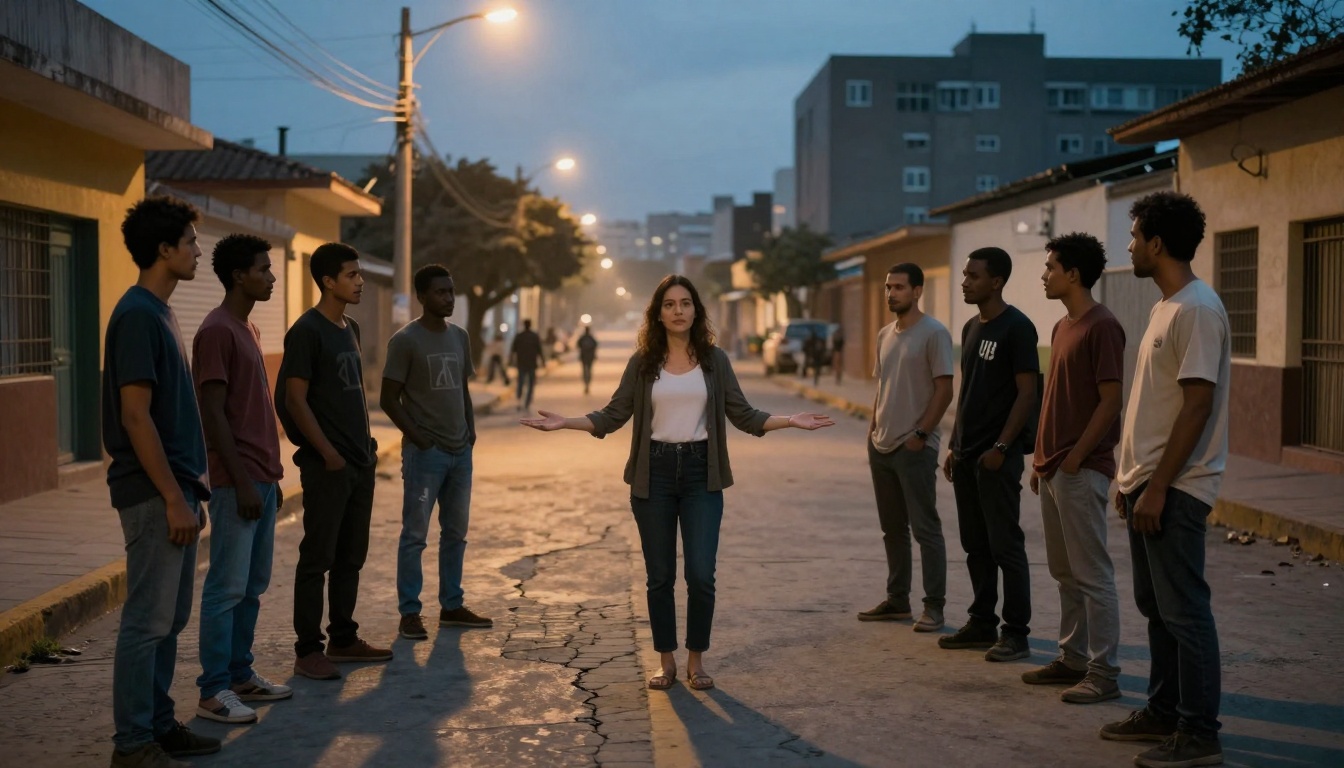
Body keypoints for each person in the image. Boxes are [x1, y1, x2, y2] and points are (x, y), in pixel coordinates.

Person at [521, 275, 834, 692]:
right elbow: (613, 415)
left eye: (685, 303)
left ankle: (696, 661)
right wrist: (567, 423)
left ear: (696, 310)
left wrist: (790, 420)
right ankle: (666, 661)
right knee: (660, 575)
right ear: (658, 313)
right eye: (669, 304)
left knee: (702, 574)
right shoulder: (644, 363)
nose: (678, 311)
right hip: (656, 474)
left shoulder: (714, 361)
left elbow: (744, 415)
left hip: (702, 473)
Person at [1103, 192, 1229, 768]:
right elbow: (1153, 405)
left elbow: (1197, 407)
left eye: (1133, 236)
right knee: (1156, 607)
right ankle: (1162, 709)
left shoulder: (1197, 309)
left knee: (1184, 611)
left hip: (1175, 488)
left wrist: (1156, 487)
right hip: (1145, 484)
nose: (1128, 246)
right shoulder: (1167, 306)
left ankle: (1199, 733)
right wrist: (1128, 480)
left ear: (1156, 243)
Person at [105, 196, 220, 767]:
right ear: (163, 249)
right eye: (191, 242)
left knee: (169, 621)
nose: (199, 251)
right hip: (154, 495)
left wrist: (190, 492)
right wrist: (173, 497)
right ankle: (131, 746)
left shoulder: (161, 312)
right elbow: (134, 416)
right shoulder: (137, 316)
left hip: (179, 492)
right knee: (146, 622)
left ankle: (158, 724)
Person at [276, 242, 391, 681]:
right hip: (328, 466)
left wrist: (365, 450)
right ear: (328, 281)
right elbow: (292, 399)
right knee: (316, 558)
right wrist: (326, 452)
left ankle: (343, 639)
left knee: (351, 556)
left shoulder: (351, 328)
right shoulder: (306, 331)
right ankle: (308, 650)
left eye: (360, 274)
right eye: (352, 275)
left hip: (360, 462)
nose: (360, 281)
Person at [192, 234, 292, 726]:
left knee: (252, 585)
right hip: (238, 483)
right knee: (226, 587)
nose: (271, 277)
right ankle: (213, 691)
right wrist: (242, 480)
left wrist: (270, 477)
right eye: (264, 269)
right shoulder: (216, 331)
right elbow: (212, 413)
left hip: (263, 479)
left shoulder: (247, 327)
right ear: (238, 275)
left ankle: (239, 675)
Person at [1025, 233, 1125, 705]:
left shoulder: (1102, 326)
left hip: (1081, 469)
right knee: (1064, 572)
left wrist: (1077, 457)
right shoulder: (1063, 326)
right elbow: (1054, 399)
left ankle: (1103, 674)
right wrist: (1041, 460)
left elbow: (1111, 401)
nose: (1044, 275)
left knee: (1092, 574)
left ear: (1074, 274)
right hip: (1054, 467)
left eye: (1050, 267)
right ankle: (1072, 659)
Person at [381, 264, 493, 641]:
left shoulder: (460, 336)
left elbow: (462, 389)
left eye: (451, 291)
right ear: (422, 297)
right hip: (425, 456)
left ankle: (451, 605)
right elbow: (388, 399)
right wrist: (419, 438)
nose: (448, 298)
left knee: (456, 533)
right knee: (415, 534)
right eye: (441, 292)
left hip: (461, 453)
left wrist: (471, 431)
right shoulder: (405, 340)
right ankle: (410, 612)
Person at [941, 247, 1039, 663]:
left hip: (997, 458)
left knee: (1005, 546)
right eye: (965, 275)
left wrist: (1002, 446)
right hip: (966, 456)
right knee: (975, 545)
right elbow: (969, 393)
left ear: (996, 281)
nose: (965, 282)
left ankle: (1015, 633)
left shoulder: (1017, 328)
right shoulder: (969, 327)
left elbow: (1027, 392)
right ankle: (982, 622)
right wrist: (954, 445)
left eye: (973, 276)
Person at [859, 264, 953, 633]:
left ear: (917, 291)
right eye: (888, 286)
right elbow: (882, 387)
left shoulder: (934, 334)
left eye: (899, 287)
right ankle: (898, 601)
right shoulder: (885, 334)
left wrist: (921, 434)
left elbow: (944, 390)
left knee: (925, 529)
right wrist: (872, 429)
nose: (891, 293)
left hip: (914, 446)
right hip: (881, 445)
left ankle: (935, 607)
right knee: (892, 529)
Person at [510, 319, 545, 412]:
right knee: (530, 384)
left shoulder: (519, 336)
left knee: (521, 383)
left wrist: (510, 361)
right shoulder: (534, 336)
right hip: (531, 364)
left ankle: (519, 400)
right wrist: (543, 361)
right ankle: (527, 402)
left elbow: (513, 350)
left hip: (521, 363)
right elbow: (540, 350)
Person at [577, 326, 599, 394]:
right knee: (589, 370)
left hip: (584, 357)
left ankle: (586, 383)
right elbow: (595, 346)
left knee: (585, 370)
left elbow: (578, 345)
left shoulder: (582, 338)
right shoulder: (591, 338)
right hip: (589, 357)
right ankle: (587, 384)